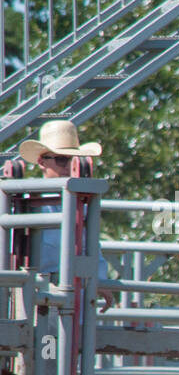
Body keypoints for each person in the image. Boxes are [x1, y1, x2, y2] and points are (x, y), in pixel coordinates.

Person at [16, 120, 115, 311]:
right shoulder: (24, 201)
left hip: (73, 292)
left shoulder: (82, 203)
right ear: (42, 162)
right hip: (34, 290)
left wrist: (100, 280)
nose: (68, 165)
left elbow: (91, 246)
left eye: (73, 159)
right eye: (62, 159)